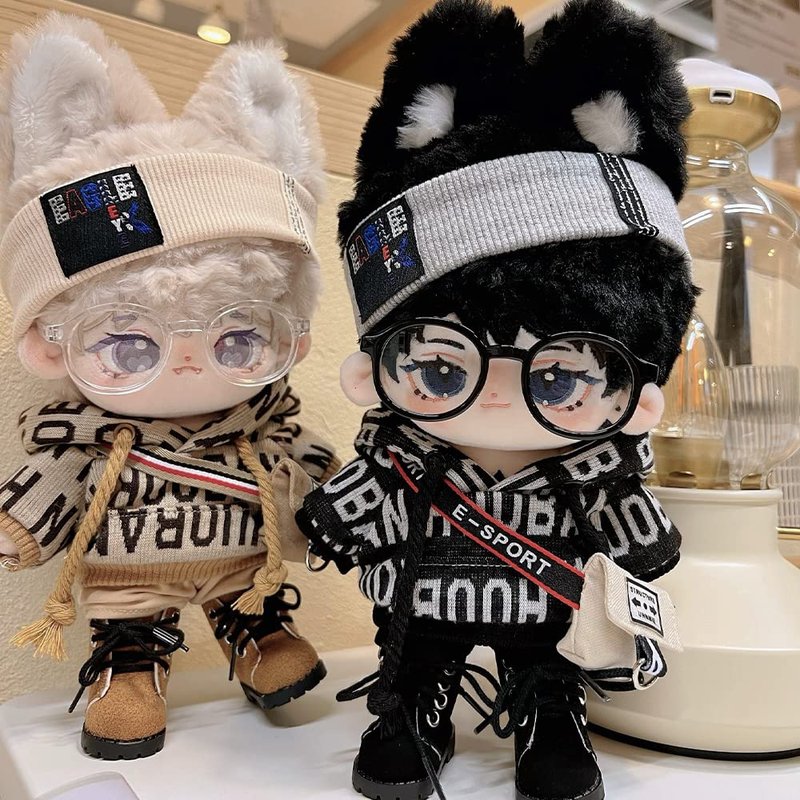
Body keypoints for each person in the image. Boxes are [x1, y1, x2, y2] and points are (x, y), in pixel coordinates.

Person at [297, 1, 696, 798]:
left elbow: (637, 536)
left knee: (548, 659)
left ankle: (549, 709)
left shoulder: (593, 472)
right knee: (414, 651)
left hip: (545, 613)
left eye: (559, 378)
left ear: (636, 392)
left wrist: (641, 556)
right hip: (421, 606)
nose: (501, 400)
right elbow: (354, 504)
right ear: (375, 369)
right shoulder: (402, 457)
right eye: (444, 370)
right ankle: (415, 701)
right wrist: (327, 521)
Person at [0, 13, 336, 760]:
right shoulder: (87, 440)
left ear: (290, 335)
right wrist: (16, 530)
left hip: (243, 569)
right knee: (129, 626)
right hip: (129, 579)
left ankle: (257, 635)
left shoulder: (264, 422)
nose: (187, 365)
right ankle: (130, 666)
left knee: (252, 599)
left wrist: (335, 507)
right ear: (50, 343)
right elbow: (54, 483)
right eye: (129, 344)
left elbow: (310, 466)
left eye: (237, 338)